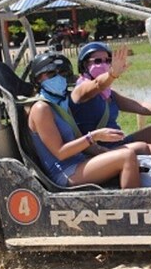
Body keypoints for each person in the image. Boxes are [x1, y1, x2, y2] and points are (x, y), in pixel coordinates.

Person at [27, 52, 142, 189]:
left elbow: (82, 142)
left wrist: (104, 151)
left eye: (63, 73)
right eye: (51, 74)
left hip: (79, 161)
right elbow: (60, 153)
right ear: (37, 79)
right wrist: (94, 136)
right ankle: (132, 205)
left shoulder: (60, 104)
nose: (59, 77)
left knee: (140, 147)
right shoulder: (41, 108)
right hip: (65, 172)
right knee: (126, 156)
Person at [70, 42, 151, 158]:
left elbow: (140, 107)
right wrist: (112, 75)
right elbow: (98, 84)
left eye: (108, 61)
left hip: (119, 143)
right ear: (84, 65)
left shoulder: (109, 93)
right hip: (100, 150)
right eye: (98, 61)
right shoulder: (80, 90)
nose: (104, 64)